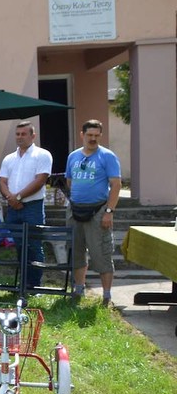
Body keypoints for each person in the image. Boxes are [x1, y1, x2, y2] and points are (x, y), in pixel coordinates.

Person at [67, 119, 121, 305]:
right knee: (76, 251)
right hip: (75, 210)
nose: (93, 139)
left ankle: (106, 296)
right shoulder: (73, 156)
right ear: (82, 135)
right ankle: (79, 290)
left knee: (102, 252)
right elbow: (69, 181)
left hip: (98, 210)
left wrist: (109, 211)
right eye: (89, 135)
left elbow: (116, 185)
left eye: (96, 136)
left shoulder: (107, 156)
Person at [0, 121, 53, 289]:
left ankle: (34, 285)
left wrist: (19, 197)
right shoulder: (9, 158)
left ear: (32, 135)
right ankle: (23, 284)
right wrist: (10, 198)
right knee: (20, 246)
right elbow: (2, 180)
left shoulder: (42, 155)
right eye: (18, 134)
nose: (20, 137)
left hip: (32, 207)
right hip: (13, 208)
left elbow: (40, 180)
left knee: (34, 246)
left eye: (24, 134)